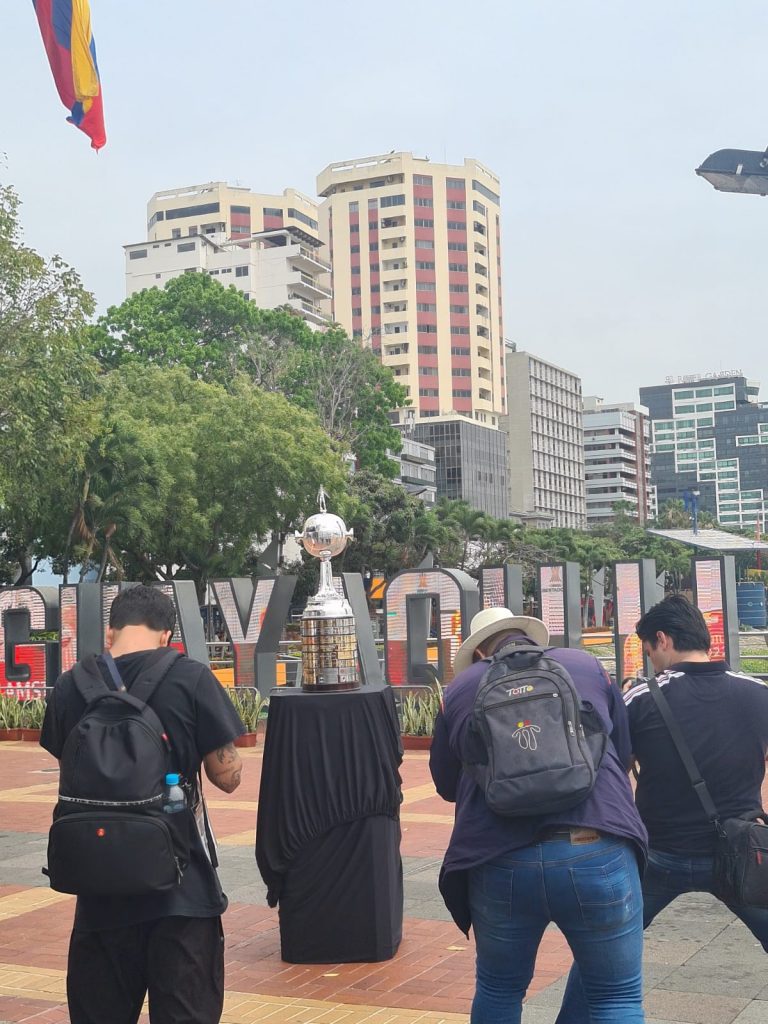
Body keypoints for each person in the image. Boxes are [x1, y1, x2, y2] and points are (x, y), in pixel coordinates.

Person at [430, 607, 648, 1024]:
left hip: (499, 857)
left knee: (499, 990)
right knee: (616, 998)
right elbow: (620, 748)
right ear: (532, 638)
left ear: (479, 654)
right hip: (596, 844)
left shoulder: (459, 689)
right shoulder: (585, 665)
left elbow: (444, 782)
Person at [41, 585, 246, 1024]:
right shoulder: (190, 677)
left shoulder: (70, 686)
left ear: (111, 631)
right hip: (181, 891)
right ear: (167, 635)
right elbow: (225, 777)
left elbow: (71, 765)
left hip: (97, 892)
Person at [559, 594, 768, 1022]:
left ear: (662, 639)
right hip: (744, 852)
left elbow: (610, 766)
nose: (652, 661)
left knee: (603, 955)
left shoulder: (641, 698)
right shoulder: (757, 694)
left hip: (659, 853)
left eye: (650, 651)